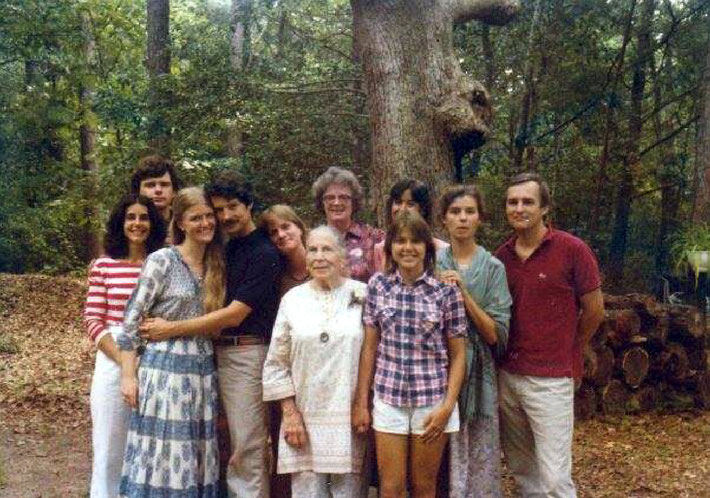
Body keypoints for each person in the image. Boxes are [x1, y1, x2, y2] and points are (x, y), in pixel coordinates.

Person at [139, 171, 281, 498]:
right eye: (218, 210)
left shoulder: (263, 252)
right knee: (213, 440)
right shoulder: (224, 249)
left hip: (245, 354)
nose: (225, 216)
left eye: (233, 206)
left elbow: (234, 314)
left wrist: (169, 329)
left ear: (249, 205)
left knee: (247, 444)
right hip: (209, 355)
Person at [494, 173, 604, 498]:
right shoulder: (501, 257)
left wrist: (574, 349)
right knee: (524, 473)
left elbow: (595, 310)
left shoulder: (572, 250)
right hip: (508, 377)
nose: (519, 208)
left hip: (551, 381)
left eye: (528, 201)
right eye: (513, 202)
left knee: (555, 479)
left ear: (544, 208)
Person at [117, 187, 225, 497]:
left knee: (196, 452)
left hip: (203, 371)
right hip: (164, 371)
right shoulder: (162, 260)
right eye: (196, 218)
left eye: (208, 216)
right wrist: (128, 376)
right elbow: (132, 320)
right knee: (164, 451)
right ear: (180, 223)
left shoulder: (217, 263)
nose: (205, 223)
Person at [352, 210, 467, 498]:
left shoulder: (445, 292)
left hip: (432, 401)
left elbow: (458, 356)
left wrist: (447, 407)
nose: (407, 247)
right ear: (390, 247)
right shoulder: (378, 286)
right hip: (389, 398)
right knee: (390, 487)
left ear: (427, 248)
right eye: (400, 241)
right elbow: (369, 348)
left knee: (424, 486)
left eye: (415, 241)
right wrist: (361, 403)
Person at [263, 226, 368, 498]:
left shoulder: (363, 294)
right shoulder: (292, 299)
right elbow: (276, 363)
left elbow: (375, 354)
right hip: (304, 419)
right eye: (313, 250)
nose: (319, 257)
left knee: (349, 492)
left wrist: (364, 404)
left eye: (327, 249)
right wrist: (289, 414)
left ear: (342, 256)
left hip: (349, 416)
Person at [84, 194, 165, 498]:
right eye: (130, 217)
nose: (137, 223)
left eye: (143, 217)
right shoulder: (104, 266)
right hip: (113, 356)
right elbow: (93, 319)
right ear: (121, 223)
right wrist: (123, 360)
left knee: (151, 442)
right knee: (109, 442)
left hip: (158, 352)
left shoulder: (164, 260)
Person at [436, 185, 512, 498]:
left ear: (480, 218)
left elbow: (496, 333)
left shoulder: (493, 268)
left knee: (479, 453)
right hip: (437, 371)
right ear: (444, 220)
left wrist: (463, 295)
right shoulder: (431, 264)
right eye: (455, 212)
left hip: (479, 375)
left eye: (469, 211)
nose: (462, 218)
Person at [312, 166, 384, 283]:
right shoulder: (312, 240)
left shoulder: (374, 238)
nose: (336, 202)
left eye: (344, 197)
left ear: (354, 202)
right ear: (322, 202)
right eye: (330, 197)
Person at [374, 179, 449, 272]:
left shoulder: (442, 250)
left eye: (410, 204)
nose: (402, 209)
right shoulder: (381, 250)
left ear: (423, 210)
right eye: (398, 202)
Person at [261, 204, 309, 296]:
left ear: (300, 228)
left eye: (285, 227)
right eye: (274, 232)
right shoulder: (276, 278)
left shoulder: (323, 261)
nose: (281, 235)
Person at [130, 155, 182, 224]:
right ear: (137, 191)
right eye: (150, 185)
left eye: (164, 185)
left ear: (174, 192)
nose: (158, 190)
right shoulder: (128, 227)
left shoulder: (184, 226)